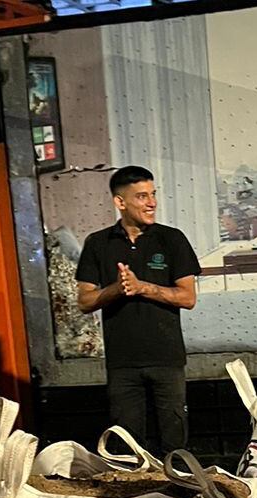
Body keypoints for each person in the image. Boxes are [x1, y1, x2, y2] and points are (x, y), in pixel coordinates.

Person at [76, 166, 200, 454]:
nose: (152, 202)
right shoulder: (98, 243)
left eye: (153, 195)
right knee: (127, 448)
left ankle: (180, 495)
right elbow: (84, 301)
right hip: (123, 364)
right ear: (120, 203)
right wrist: (116, 290)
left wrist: (143, 287)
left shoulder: (172, 239)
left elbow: (188, 297)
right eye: (142, 196)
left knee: (175, 445)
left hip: (167, 359)